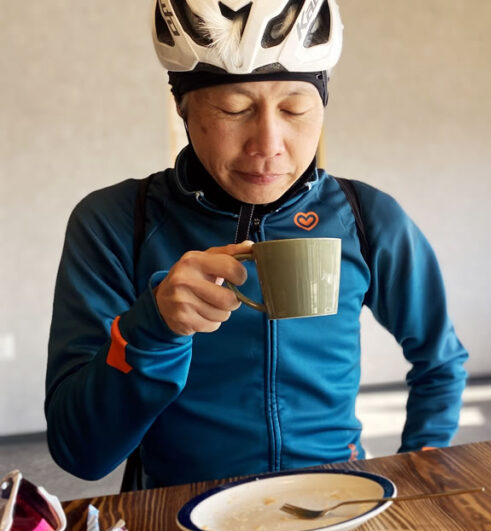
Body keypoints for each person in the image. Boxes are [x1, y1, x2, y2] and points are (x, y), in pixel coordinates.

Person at [44, 0, 468, 488]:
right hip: (178, 513)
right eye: (235, 108)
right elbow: (80, 453)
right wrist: (153, 329)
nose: (268, 144)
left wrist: (420, 470)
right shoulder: (117, 221)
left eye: (295, 108)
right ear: (182, 106)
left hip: (336, 499)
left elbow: (440, 359)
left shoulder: (365, 217)